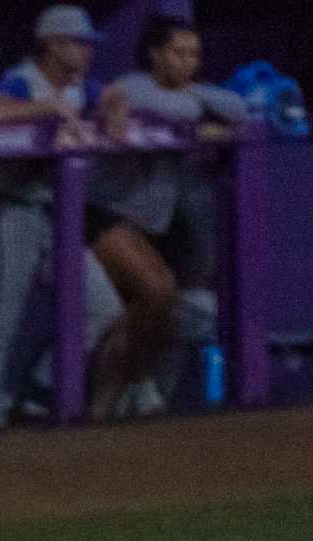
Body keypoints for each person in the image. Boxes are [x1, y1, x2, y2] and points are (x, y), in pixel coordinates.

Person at [0, 4, 130, 427]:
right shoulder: (23, 79)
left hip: (55, 217)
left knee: (101, 309)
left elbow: (114, 95)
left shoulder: (82, 85)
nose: (87, 51)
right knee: (1, 321)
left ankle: (36, 390)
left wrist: (115, 110)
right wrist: (46, 109)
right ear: (51, 44)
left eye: (87, 44)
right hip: (11, 211)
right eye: (78, 43)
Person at [90, 18, 247, 418]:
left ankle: (128, 389)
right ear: (154, 55)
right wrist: (197, 107)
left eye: (194, 54)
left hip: (143, 225)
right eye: (179, 53)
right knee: (156, 293)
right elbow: (157, 104)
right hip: (101, 213)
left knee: (158, 306)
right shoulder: (133, 86)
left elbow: (240, 109)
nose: (188, 62)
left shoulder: (192, 92)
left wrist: (195, 96)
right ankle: (117, 393)